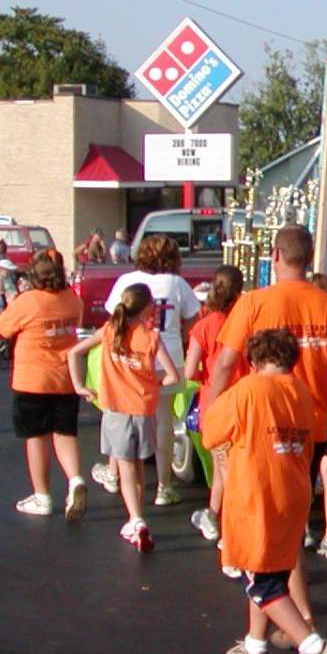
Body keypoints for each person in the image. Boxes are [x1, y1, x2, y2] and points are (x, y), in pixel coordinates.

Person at [208, 226, 327, 646]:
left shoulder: (254, 302)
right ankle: (271, 632)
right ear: (309, 258)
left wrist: (211, 412)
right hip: (307, 425)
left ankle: (295, 631)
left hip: (258, 423)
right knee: (289, 526)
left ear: (276, 255)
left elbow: (224, 362)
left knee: (265, 530)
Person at [204, 329, 327, 654]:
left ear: (253, 359)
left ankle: (312, 647)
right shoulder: (300, 391)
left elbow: (210, 432)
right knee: (270, 571)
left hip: (257, 495)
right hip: (293, 493)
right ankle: (255, 646)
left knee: (260, 581)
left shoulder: (248, 390)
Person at [69, 282, 181, 553]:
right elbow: (173, 376)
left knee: (125, 467)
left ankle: (136, 519)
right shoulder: (151, 337)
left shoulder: (110, 331)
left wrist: (79, 386)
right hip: (143, 409)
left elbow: (74, 352)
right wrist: (152, 384)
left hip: (116, 409)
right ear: (145, 310)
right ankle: (136, 516)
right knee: (139, 466)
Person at [96, 236, 201, 507]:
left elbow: (112, 316)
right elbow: (192, 317)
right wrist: (180, 335)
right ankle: (165, 486)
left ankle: (114, 472)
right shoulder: (177, 284)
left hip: (131, 357)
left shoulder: (126, 281)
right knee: (163, 422)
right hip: (168, 356)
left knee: (119, 412)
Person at [0, 251, 87, 521]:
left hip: (32, 378)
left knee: (36, 437)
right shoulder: (73, 301)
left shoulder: (28, 301)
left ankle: (42, 495)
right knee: (65, 433)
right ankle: (75, 479)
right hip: (65, 377)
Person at [185, 265, 248, 559]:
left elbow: (189, 370)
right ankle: (214, 515)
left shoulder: (203, 326)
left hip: (215, 401)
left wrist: (204, 378)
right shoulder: (249, 323)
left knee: (224, 467)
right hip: (245, 401)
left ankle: (228, 527)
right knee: (234, 468)